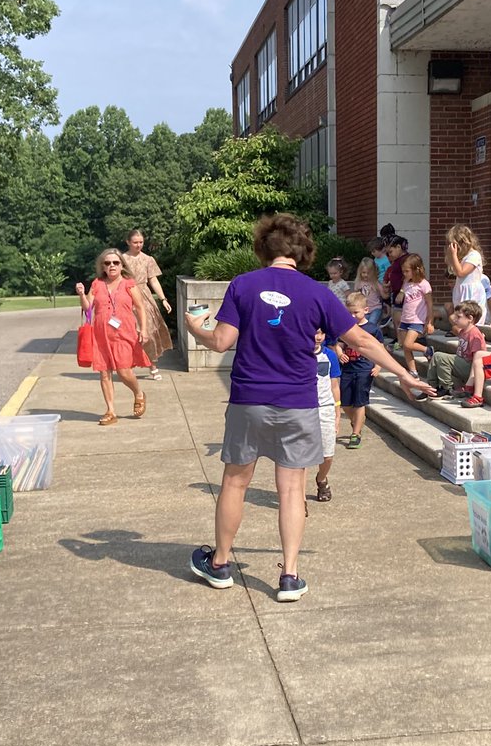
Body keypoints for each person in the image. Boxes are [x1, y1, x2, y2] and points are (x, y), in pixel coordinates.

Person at [185, 213, 434, 603]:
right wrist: (404, 373)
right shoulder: (318, 293)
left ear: (264, 247)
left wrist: (192, 326)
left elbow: (219, 342)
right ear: (303, 252)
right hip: (297, 403)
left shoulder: (243, 285)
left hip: (249, 399)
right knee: (291, 490)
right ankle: (289, 576)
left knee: (235, 482)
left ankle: (219, 564)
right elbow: (365, 342)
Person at [75, 249, 149, 425]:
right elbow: (88, 308)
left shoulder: (129, 284)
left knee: (124, 371)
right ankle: (110, 411)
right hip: (101, 335)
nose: (112, 266)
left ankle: (138, 393)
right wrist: (81, 294)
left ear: (122, 265)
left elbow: (140, 308)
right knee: (104, 373)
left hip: (124, 333)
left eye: (115, 262)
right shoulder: (97, 284)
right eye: (107, 263)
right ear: (103, 267)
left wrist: (144, 329)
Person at [120, 229, 173, 380]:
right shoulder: (121, 259)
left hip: (144, 296)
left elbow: (153, 280)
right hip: (126, 295)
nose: (138, 245)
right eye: (135, 242)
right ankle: (127, 366)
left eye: (141, 242)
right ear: (128, 242)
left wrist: (163, 299)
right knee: (128, 332)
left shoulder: (148, 259)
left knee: (148, 331)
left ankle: (153, 366)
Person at [339, 291, 381, 448]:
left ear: (366, 310)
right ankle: (356, 421)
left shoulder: (372, 329)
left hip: (365, 368)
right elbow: (339, 343)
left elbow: (380, 348)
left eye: (355, 312)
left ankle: (355, 434)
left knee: (359, 401)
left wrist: (378, 365)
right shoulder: (346, 328)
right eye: (349, 313)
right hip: (348, 368)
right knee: (345, 402)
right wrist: (339, 353)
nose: (352, 316)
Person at [424, 300, 485, 399]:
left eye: (458, 317)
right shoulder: (463, 331)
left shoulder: (475, 334)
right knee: (435, 356)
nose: (455, 319)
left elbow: (478, 357)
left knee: (440, 357)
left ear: (470, 318)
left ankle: (447, 388)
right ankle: (432, 387)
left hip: (470, 367)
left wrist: (471, 380)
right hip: (462, 363)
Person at [312, 328, 341, 502]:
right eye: (314, 332)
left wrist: (337, 414)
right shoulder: (297, 354)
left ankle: (321, 478)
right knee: (301, 457)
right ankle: (300, 499)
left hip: (325, 408)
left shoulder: (330, 356)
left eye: (321, 333)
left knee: (327, 455)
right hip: (303, 409)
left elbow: (335, 386)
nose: (318, 337)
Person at [394, 252, 434, 376]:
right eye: (403, 272)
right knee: (405, 347)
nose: (404, 274)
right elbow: (400, 297)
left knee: (408, 344)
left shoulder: (424, 284)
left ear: (416, 270)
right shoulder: (406, 283)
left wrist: (430, 321)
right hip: (406, 318)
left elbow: (429, 303)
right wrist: (401, 291)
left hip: (417, 319)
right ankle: (413, 370)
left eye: (407, 271)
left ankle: (427, 350)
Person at [442, 224, 487, 326]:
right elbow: (453, 271)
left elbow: (461, 272)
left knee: (470, 319)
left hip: (472, 292)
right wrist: (452, 257)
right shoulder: (463, 257)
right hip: (461, 290)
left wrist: (453, 256)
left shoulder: (474, 255)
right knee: (460, 318)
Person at [383, 233, 408, 340]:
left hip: (403, 293)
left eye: (390, 252)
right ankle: (399, 339)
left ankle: (402, 340)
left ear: (398, 247)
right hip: (396, 291)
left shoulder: (405, 260)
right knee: (396, 317)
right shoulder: (397, 261)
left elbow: (407, 277)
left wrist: (402, 291)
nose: (389, 255)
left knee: (399, 317)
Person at [353, 257, 386, 329]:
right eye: (364, 273)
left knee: (371, 323)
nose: (366, 275)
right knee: (363, 325)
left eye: (368, 273)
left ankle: (376, 337)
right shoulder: (359, 283)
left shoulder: (375, 283)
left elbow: (384, 296)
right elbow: (355, 296)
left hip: (375, 308)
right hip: (364, 309)